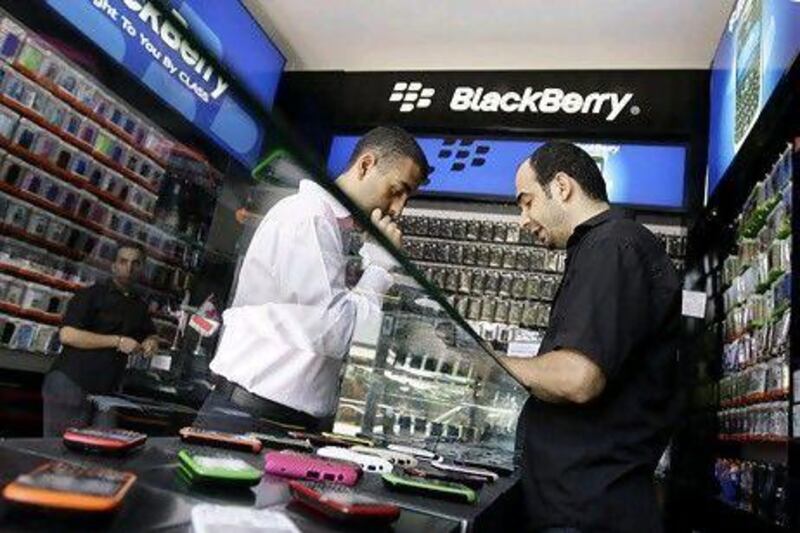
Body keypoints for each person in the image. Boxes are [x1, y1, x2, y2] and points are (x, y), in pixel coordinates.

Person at [196, 126, 429, 433]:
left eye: (407, 197)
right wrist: (380, 269)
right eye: (396, 190)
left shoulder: (328, 224)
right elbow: (336, 330)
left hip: (272, 417)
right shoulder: (310, 217)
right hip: (253, 415)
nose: (398, 208)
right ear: (365, 165)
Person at [500, 142, 681, 533]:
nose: (523, 219)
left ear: (562, 186)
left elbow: (578, 378)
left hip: (589, 512)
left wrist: (491, 360)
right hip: (581, 506)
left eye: (526, 201)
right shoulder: (603, 247)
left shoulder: (613, 245)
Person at [42, 244, 159, 437]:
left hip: (106, 393)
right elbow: (68, 335)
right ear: (113, 266)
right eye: (123, 261)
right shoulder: (90, 295)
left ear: (141, 270)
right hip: (72, 382)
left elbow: (150, 333)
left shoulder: (139, 306)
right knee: (60, 451)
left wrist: (151, 341)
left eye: (135, 263)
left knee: (101, 454)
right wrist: (118, 341)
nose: (129, 267)